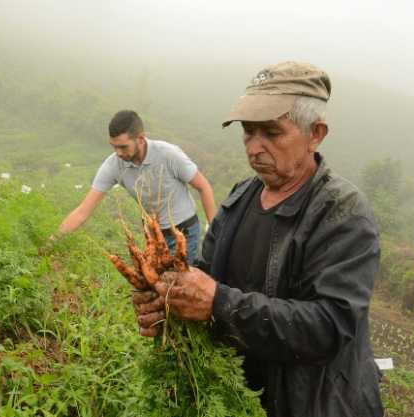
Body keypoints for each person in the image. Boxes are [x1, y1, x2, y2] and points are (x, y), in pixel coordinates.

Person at [133, 62, 383, 417]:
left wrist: (219, 304)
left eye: (271, 133)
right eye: (248, 133)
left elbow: (329, 325)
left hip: (311, 404)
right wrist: (170, 299)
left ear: (316, 133)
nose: (254, 148)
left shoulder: (343, 213)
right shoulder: (241, 197)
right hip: (238, 399)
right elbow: (205, 274)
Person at [53, 110, 216, 263]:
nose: (118, 152)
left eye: (123, 147)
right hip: (153, 236)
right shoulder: (114, 165)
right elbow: (83, 211)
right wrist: (53, 241)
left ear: (140, 138)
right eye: (114, 146)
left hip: (184, 232)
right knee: (156, 286)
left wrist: (216, 233)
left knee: (180, 286)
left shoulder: (168, 154)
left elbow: (203, 187)